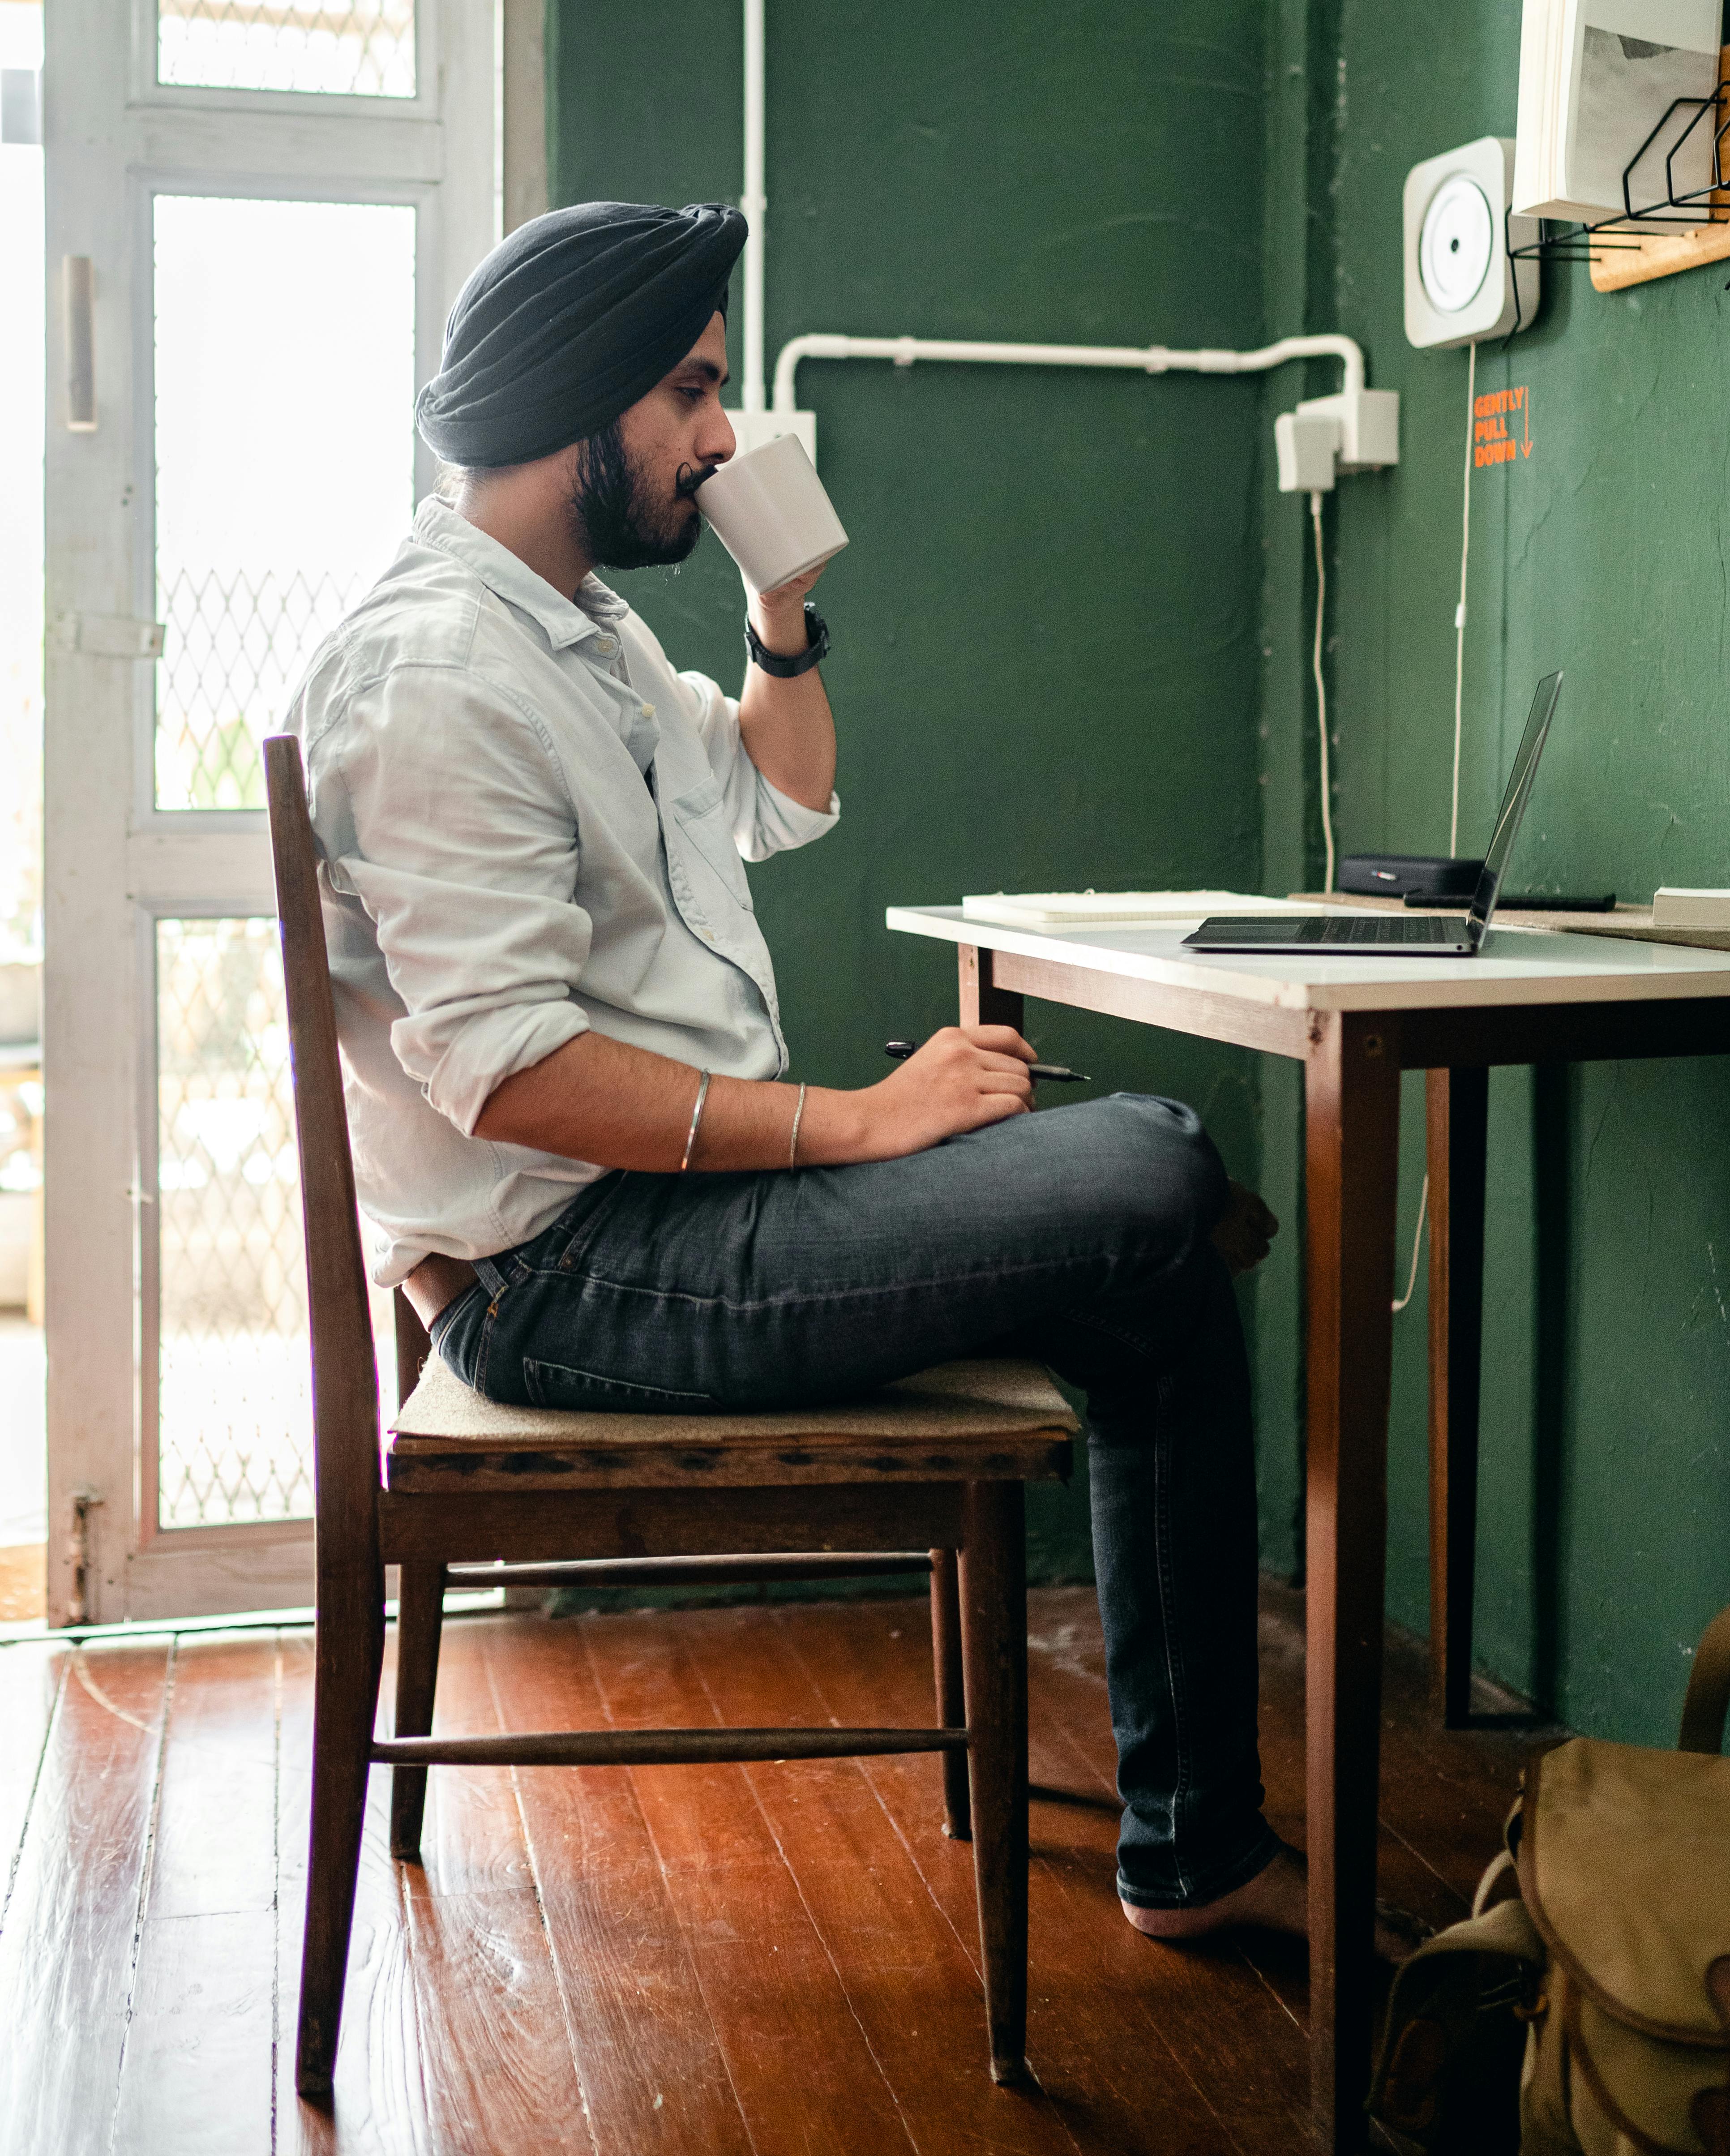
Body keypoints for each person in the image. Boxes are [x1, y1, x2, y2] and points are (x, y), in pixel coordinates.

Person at [288, 198, 1316, 1946]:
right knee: (1150, 1170)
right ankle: (1197, 1838)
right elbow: (509, 1072)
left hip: (678, 1215)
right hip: (579, 1273)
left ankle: (1193, 1848)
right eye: (691, 393)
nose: (720, 436)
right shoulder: (437, 673)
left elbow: (784, 794)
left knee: (1147, 1245)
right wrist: (857, 1123)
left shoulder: (581, 628)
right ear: (578, 394)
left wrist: (783, 605)